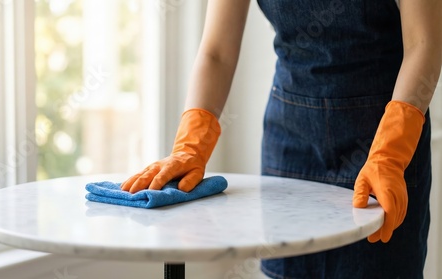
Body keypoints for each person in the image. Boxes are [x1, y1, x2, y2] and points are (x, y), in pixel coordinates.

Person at [121, 0, 442, 278]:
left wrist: (390, 153)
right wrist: (190, 144)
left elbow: (424, 44)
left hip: (383, 150)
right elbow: (216, 52)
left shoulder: (389, 153)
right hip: (291, 143)